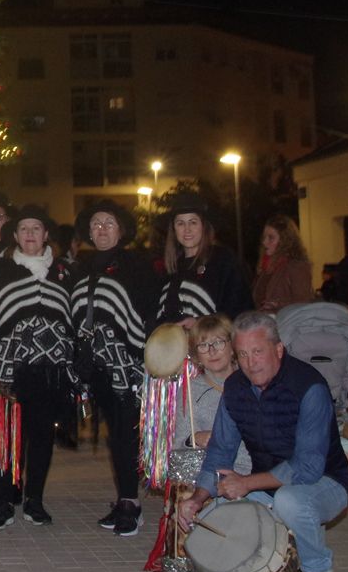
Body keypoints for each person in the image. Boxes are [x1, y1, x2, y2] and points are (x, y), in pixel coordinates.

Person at [178, 311, 348, 572]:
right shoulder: (236, 388)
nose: (250, 362)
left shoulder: (309, 387)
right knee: (211, 518)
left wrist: (246, 484)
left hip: (326, 483)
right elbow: (221, 451)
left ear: (279, 350)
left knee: (291, 501)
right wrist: (197, 498)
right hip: (267, 485)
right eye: (243, 354)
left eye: (258, 352)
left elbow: (308, 468)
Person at [0, 204, 73, 529]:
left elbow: (74, 318)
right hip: (7, 368)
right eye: (24, 229)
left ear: (45, 234)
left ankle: (34, 501)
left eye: (36, 229)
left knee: (41, 436)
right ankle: (3, 502)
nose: (30, 235)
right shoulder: (1, 270)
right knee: (5, 437)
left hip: (49, 369)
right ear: (14, 235)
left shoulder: (63, 272)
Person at [70, 198, 161, 537]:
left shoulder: (136, 265)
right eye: (96, 224)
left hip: (129, 366)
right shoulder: (83, 266)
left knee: (126, 433)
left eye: (108, 223)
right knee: (115, 436)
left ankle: (131, 504)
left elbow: (148, 314)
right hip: (97, 366)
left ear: (121, 230)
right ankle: (125, 498)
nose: (101, 229)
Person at [159, 314, 252, 572]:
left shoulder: (250, 382)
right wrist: (194, 437)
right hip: (207, 465)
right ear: (195, 354)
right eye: (203, 346)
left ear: (232, 345)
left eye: (218, 343)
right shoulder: (192, 389)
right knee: (188, 472)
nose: (211, 351)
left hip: (246, 462)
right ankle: (192, 559)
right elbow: (176, 442)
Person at [158, 193, 251, 324]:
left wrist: (199, 322)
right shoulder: (171, 268)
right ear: (173, 229)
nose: (187, 229)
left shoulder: (223, 261)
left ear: (204, 226)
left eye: (193, 222)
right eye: (180, 223)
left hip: (213, 342)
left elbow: (240, 311)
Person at [256, 215, 315, 312]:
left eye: (271, 238)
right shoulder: (266, 267)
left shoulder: (297, 266)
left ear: (285, 240)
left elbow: (303, 305)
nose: (264, 242)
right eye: (264, 237)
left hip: (288, 325)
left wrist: (277, 305)